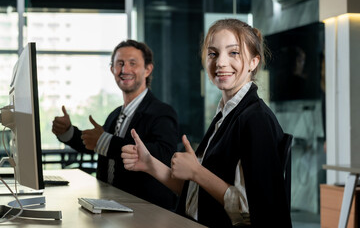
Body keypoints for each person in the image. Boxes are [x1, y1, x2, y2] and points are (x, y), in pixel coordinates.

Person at [121, 19, 292, 227]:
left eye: (233, 53)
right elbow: (198, 193)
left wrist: (197, 171)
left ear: (254, 62)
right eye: (213, 53)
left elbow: (250, 212)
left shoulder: (256, 119)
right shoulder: (226, 114)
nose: (220, 62)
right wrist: (149, 164)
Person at [52, 39, 179, 210]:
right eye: (120, 64)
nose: (125, 70)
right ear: (112, 70)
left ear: (147, 69)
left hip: (148, 210)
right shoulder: (115, 115)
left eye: (132, 63)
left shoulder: (162, 112)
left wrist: (105, 141)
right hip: (110, 207)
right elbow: (95, 145)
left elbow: (164, 155)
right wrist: (67, 131)